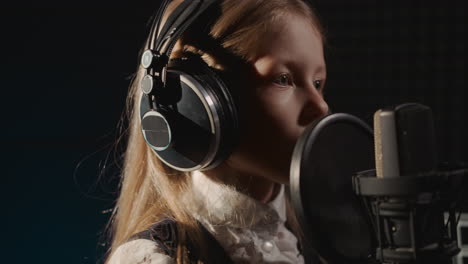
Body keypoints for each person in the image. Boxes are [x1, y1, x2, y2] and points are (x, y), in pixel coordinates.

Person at [105, 0, 329, 263]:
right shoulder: (154, 258)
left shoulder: (314, 243)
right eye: (283, 79)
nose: (321, 107)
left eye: (318, 83)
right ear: (194, 99)